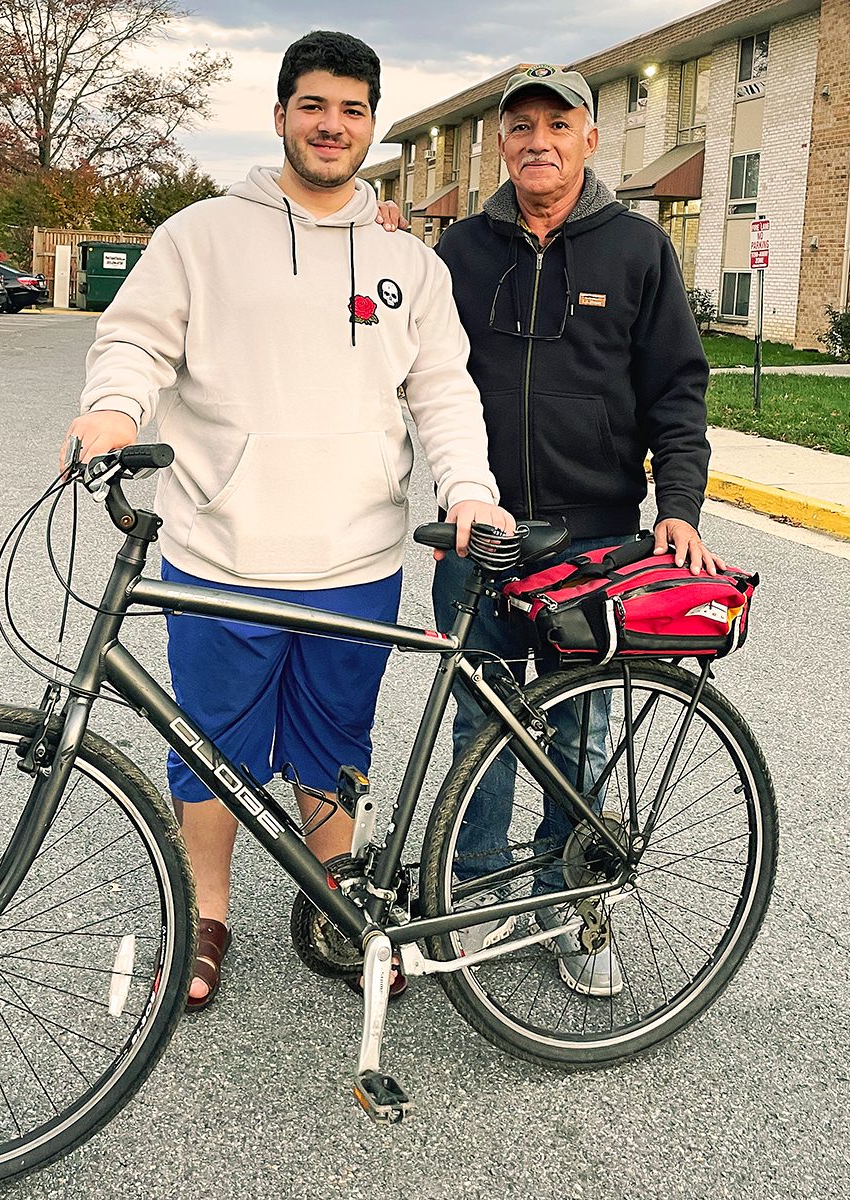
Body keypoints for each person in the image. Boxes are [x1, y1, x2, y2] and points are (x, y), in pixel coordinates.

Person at [61, 30, 513, 1010]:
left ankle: (334, 901)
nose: (332, 125)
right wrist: (112, 409)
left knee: (335, 749)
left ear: (371, 125)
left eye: (352, 110)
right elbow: (135, 343)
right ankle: (206, 913)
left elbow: (443, 390)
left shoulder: (405, 257)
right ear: (280, 117)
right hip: (221, 552)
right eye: (315, 105)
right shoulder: (200, 237)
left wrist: (468, 487)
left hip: (354, 557)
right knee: (209, 751)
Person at [432, 65, 722, 997]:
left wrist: (677, 506)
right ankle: (477, 895)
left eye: (559, 124)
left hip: (597, 537)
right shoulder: (460, 252)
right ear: (502, 143)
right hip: (481, 527)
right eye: (521, 126)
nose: (538, 141)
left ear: (591, 139)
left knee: (582, 731)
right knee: (476, 715)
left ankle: (570, 899)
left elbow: (678, 388)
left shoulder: (637, 249)